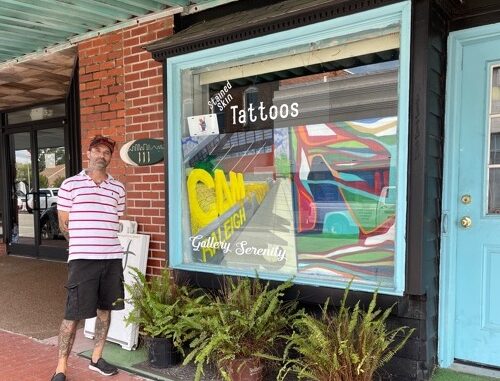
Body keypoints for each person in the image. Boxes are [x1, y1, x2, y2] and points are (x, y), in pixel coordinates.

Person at [51, 135, 126, 381]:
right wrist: (81, 247)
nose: (102, 155)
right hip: (83, 259)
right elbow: (64, 225)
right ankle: (61, 368)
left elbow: (115, 218)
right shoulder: (70, 185)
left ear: (110, 158)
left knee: (106, 310)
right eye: (98, 151)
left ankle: (96, 358)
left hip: (112, 258)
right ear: (89, 153)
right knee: (72, 314)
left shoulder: (118, 188)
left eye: (107, 152)